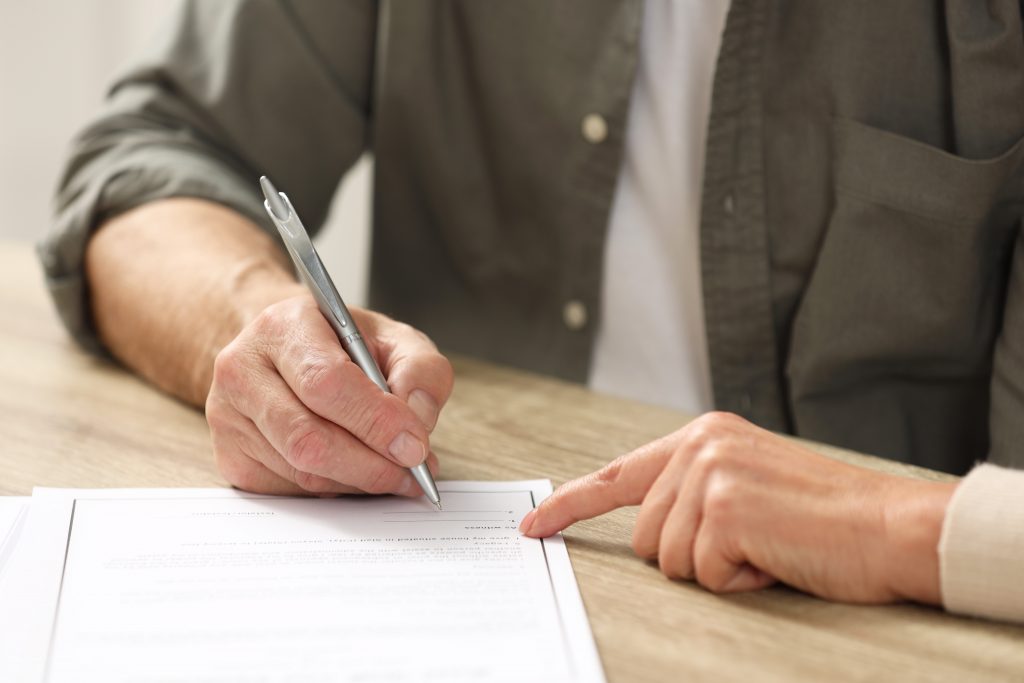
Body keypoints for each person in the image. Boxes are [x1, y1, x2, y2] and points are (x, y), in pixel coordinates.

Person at [39, 2, 1024, 621]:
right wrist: (256, 326)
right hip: (452, 581)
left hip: (864, 630)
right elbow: (149, 156)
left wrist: (893, 521)